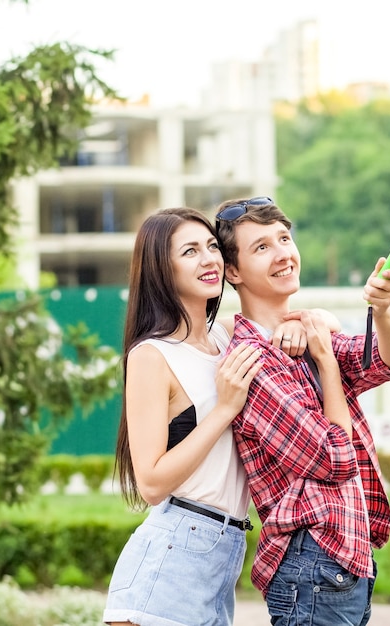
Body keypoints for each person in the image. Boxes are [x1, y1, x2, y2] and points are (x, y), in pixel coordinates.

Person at [215, 197, 390, 626]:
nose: (283, 253)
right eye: (261, 247)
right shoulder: (254, 363)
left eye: (284, 239)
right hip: (313, 559)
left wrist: (382, 308)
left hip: (344, 556)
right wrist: (326, 363)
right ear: (233, 272)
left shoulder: (307, 333)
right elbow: (336, 458)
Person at [103, 207, 271, 626]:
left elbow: (289, 321)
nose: (210, 259)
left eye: (212, 246)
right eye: (191, 251)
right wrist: (226, 408)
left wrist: (315, 321)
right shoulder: (152, 356)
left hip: (223, 554)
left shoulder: (227, 338)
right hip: (173, 555)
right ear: (162, 268)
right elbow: (152, 483)